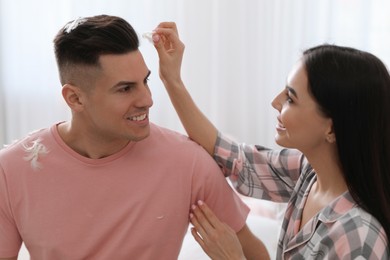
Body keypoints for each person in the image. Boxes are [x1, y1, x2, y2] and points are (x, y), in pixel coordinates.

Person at [0, 15, 270, 260]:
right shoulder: (11, 170)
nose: (147, 100)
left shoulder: (188, 163)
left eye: (146, 81)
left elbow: (254, 254)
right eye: (125, 88)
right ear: (75, 98)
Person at [152, 22, 390, 259]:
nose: (276, 102)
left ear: (332, 128)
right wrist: (172, 79)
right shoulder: (308, 173)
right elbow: (232, 155)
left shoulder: (358, 238)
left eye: (291, 98)